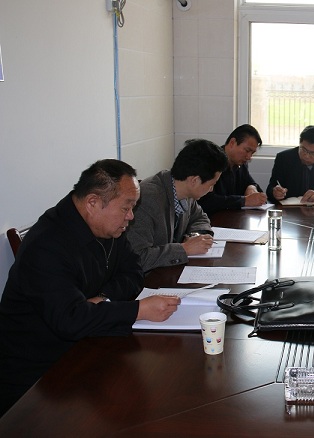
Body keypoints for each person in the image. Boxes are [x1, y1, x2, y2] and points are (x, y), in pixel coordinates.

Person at [0, 160, 180, 416]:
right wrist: (139, 310)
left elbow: (133, 272)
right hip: (37, 376)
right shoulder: (46, 245)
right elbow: (69, 319)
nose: (131, 216)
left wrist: (103, 298)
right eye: (126, 207)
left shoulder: (108, 227)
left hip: (85, 344)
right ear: (93, 202)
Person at [127, 138, 228, 272]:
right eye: (211, 184)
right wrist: (184, 249)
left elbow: (200, 217)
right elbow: (138, 257)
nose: (211, 190)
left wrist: (195, 235)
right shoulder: (148, 199)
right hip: (148, 279)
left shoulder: (185, 191)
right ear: (194, 180)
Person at [198, 124, 267, 214]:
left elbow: (249, 182)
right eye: (247, 150)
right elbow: (206, 201)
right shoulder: (211, 161)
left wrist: (251, 187)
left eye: (252, 153)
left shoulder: (241, 163)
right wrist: (244, 201)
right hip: (212, 218)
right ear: (232, 143)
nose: (249, 157)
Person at [266, 125, 314, 203]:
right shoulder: (284, 158)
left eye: (313, 153)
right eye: (303, 150)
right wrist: (275, 192)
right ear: (300, 143)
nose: (306, 156)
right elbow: (271, 187)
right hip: (289, 208)